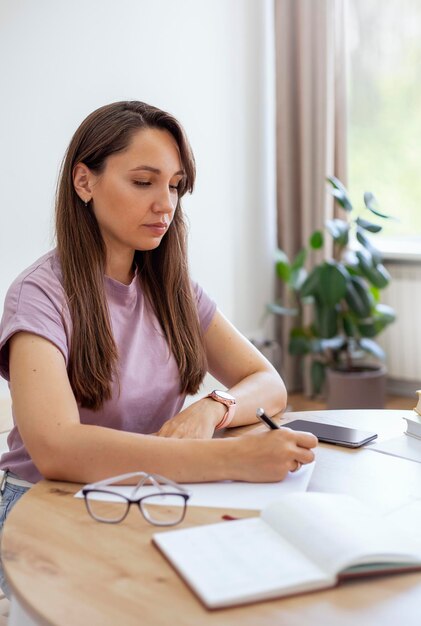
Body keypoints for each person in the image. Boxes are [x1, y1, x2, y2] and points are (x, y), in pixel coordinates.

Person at [0, 101, 317, 582]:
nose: (165, 204)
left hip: (147, 490)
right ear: (84, 182)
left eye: (174, 186)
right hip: (47, 501)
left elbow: (266, 381)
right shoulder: (39, 295)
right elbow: (56, 448)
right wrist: (231, 458)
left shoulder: (173, 288)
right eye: (143, 182)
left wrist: (213, 406)